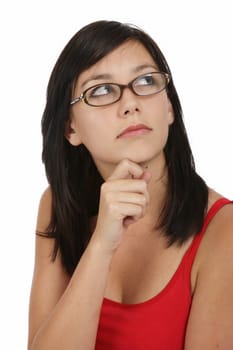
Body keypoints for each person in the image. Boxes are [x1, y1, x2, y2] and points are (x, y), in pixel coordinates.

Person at [28, 20, 233, 350]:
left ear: (168, 108)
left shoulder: (223, 228)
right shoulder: (57, 206)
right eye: (102, 90)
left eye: (146, 81)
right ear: (70, 129)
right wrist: (101, 245)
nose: (130, 103)